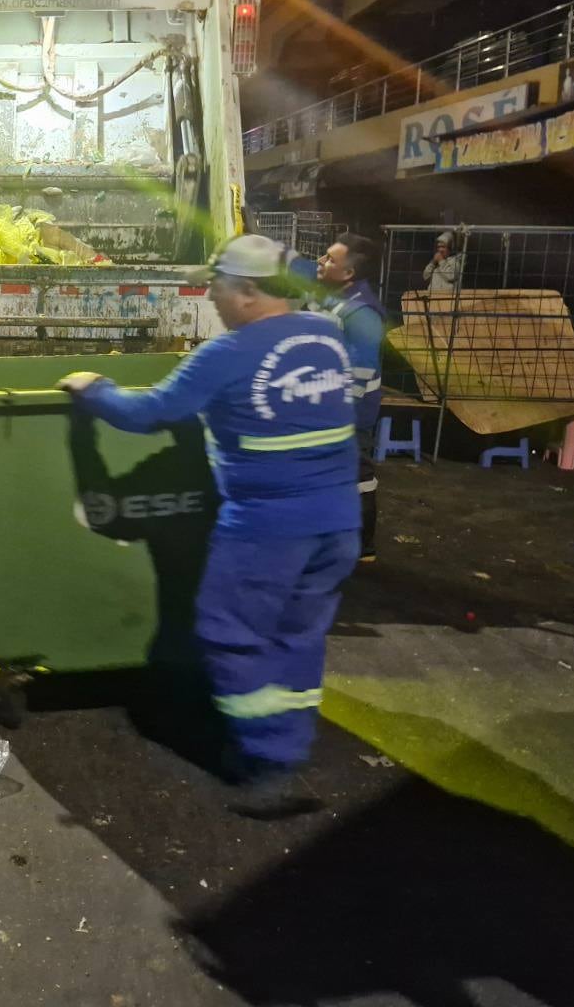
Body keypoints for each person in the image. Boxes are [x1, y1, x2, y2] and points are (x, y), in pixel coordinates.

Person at [59, 234, 359, 818]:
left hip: (266, 530)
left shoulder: (225, 355)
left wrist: (92, 389)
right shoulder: (328, 335)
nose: (211, 297)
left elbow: (147, 414)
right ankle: (290, 741)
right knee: (297, 633)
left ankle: (265, 759)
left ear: (247, 291)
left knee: (230, 632)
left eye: (215, 286)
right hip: (338, 522)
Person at [292, 233, 385, 562]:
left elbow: (361, 372)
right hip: (321, 405)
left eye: (330, 259)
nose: (321, 261)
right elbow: (299, 266)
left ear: (348, 274)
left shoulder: (361, 314)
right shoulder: (332, 293)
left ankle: (363, 547)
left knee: (356, 476)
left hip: (348, 412)